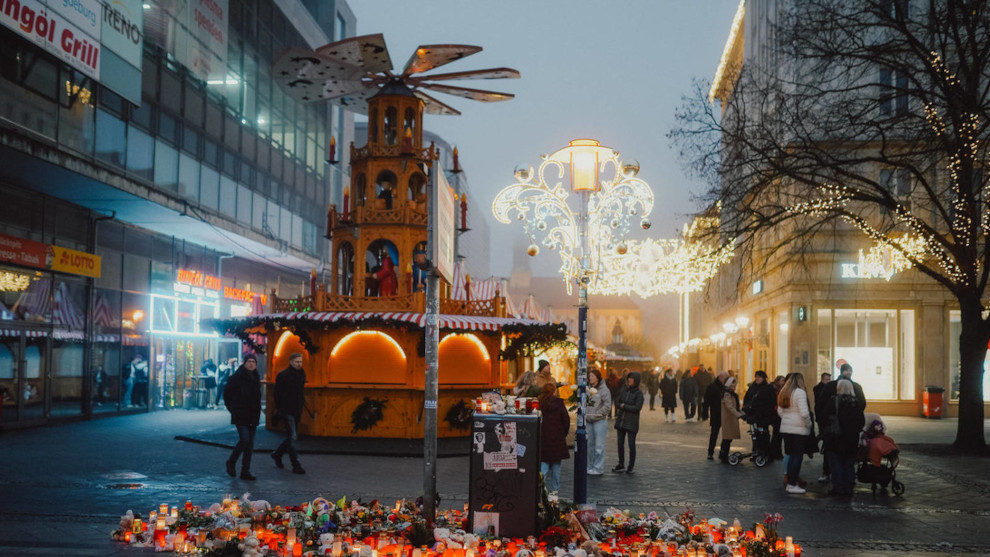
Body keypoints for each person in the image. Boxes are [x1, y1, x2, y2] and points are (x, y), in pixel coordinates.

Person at [821, 379, 865, 496]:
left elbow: (823, 417)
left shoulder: (834, 401)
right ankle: (848, 487)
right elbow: (861, 422)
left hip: (836, 438)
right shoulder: (856, 403)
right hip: (851, 439)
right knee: (849, 464)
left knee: (836, 463)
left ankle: (838, 488)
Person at [223, 355, 262, 480]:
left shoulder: (256, 377)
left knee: (250, 444)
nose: (251, 364)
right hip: (241, 414)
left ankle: (245, 471)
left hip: (253, 415)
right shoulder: (236, 378)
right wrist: (234, 410)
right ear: (244, 363)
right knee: (245, 439)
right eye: (249, 361)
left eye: (253, 362)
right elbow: (227, 395)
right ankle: (231, 461)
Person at [271, 353, 307, 474]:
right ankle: (295, 464)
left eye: (301, 362)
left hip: (296, 409)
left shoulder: (301, 374)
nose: (299, 364)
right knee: (292, 437)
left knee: (291, 436)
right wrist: (281, 408)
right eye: (297, 362)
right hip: (287, 409)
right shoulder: (283, 375)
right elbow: (277, 394)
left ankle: (277, 454)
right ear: (291, 362)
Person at [777, 373, 813, 494]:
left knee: (791, 455)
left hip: (786, 429)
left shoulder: (784, 392)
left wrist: (787, 420)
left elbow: (780, 411)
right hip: (799, 429)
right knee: (797, 457)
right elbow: (804, 413)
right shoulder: (800, 392)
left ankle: (790, 481)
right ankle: (792, 483)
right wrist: (808, 424)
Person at [538, 383, 570, 499]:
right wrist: (562, 434)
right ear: (554, 391)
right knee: (556, 465)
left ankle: (541, 488)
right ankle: (554, 491)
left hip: (543, 438)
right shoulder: (559, 403)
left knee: (544, 465)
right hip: (557, 438)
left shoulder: (539, 402)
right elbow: (566, 420)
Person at [612, 371, 644, 474]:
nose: (629, 380)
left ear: (636, 380)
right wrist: (619, 405)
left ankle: (631, 466)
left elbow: (637, 408)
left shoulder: (639, 393)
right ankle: (621, 464)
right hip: (621, 421)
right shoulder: (624, 390)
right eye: (628, 378)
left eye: (632, 378)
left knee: (631, 444)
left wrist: (624, 406)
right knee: (620, 444)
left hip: (631, 422)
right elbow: (617, 401)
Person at [586, 368, 612, 475]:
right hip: (588, 420)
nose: (590, 378)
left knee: (599, 446)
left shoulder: (604, 390)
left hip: (599, 421)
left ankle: (598, 467)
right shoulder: (588, 389)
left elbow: (607, 406)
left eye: (592, 376)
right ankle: (590, 466)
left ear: (597, 378)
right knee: (589, 445)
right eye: (589, 376)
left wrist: (597, 414)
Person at [718, 376, 746, 462]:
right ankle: (723, 455)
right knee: (727, 438)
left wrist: (742, 413)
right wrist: (739, 415)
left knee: (728, 438)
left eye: (735, 384)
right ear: (729, 384)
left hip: (731, 418)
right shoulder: (727, 394)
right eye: (733, 384)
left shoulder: (731, 393)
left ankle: (723, 454)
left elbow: (735, 407)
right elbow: (730, 407)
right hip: (728, 419)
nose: (734, 386)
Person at [812, 372, 833, 482]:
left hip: (826, 420)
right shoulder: (818, 388)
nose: (828, 381)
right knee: (824, 437)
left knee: (825, 439)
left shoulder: (830, 388)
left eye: (829, 379)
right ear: (822, 379)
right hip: (822, 419)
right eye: (827, 379)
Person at [705, 371, 728, 459]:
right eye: (726, 378)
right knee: (714, 433)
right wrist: (705, 413)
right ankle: (710, 452)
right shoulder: (712, 387)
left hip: (725, 414)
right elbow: (706, 401)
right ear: (720, 377)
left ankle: (723, 451)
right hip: (716, 414)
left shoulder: (727, 387)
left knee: (726, 434)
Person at [769, 374, 787, 460]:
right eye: (782, 381)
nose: (783, 382)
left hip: (779, 413)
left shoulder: (782, 390)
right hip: (775, 414)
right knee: (777, 435)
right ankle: (775, 453)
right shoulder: (774, 390)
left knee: (778, 435)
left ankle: (776, 452)